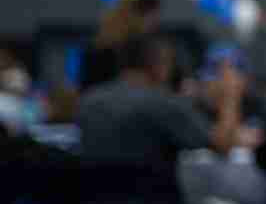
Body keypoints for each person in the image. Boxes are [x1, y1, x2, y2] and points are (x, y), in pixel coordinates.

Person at [76, 34, 244, 165]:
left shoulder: (88, 102)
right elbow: (223, 146)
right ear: (158, 65)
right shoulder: (165, 105)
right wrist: (230, 95)